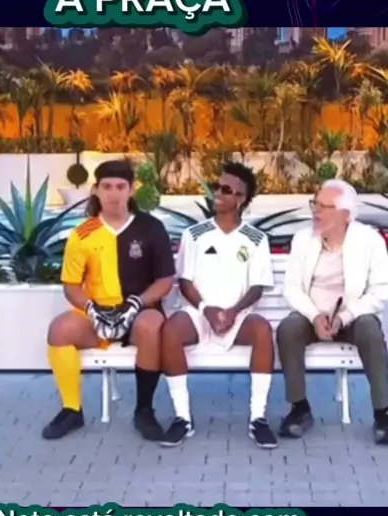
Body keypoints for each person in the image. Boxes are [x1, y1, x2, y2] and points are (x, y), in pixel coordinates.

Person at [42, 159, 176, 442]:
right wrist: (91, 308)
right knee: (59, 330)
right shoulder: (82, 234)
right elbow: (71, 285)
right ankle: (71, 409)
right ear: (96, 190)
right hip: (98, 316)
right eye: (107, 187)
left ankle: (144, 411)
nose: (114, 193)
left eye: (120, 186)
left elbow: (165, 280)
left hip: (139, 312)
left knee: (151, 326)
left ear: (131, 190)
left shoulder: (151, 228)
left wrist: (137, 303)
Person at [160, 162, 277, 448]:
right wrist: (207, 310)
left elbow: (257, 287)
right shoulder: (194, 234)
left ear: (240, 199)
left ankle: (258, 418)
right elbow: (184, 281)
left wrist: (232, 312)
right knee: (171, 330)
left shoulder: (256, 239)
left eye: (225, 190)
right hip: (200, 313)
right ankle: (182, 418)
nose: (217, 193)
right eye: (217, 187)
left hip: (237, 315)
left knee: (262, 330)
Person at [277, 179, 388, 444]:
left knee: (370, 329)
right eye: (315, 204)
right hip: (312, 316)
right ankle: (299, 408)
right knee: (288, 329)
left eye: (324, 207)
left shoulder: (369, 241)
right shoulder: (303, 239)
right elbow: (291, 287)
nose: (316, 212)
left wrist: (344, 317)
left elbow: (381, 290)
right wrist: (314, 316)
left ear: (345, 215)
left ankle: (383, 412)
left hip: (352, 316)